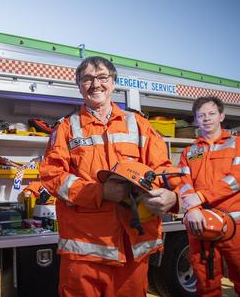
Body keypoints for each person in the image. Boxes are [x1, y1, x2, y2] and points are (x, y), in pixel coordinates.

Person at [40, 56, 182, 297]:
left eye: (102, 77)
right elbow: (52, 176)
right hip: (85, 251)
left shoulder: (138, 124)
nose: (95, 84)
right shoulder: (66, 128)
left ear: (113, 82)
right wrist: (100, 192)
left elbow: (163, 169)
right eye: (87, 79)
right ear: (79, 86)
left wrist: (174, 197)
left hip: (132, 248)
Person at [179, 96, 240, 297]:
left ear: (221, 116)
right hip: (201, 226)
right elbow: (183, 183)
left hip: (235, 227)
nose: (207, 118)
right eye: (201, 115)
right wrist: (191, 209)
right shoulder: (189, 151)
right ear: (196, 120)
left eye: (211, 114)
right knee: (205, 285)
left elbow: (238, 179)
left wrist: (200, 197)